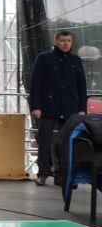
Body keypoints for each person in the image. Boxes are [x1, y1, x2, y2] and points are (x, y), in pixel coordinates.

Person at [29, 30, 86, 185]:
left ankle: (62, 175)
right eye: (62, 40)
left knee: (66, 143)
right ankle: (43, 173)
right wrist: (35, 106)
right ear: (55, 41)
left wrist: (82, 109)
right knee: (45, 141)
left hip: (70, 108)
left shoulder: (76, 60)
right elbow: (35, 84)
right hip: (48, 107)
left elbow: (82, 86)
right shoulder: (44, 58)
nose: (66, 43)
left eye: (68, 40)